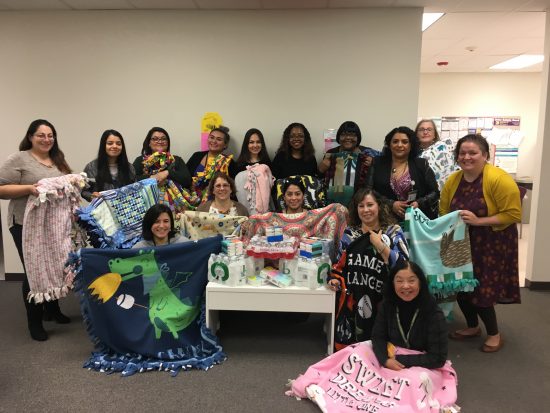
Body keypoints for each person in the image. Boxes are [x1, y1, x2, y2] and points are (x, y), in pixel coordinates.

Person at [440, 134, 521, 353]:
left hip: (492, 242)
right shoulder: (453, 180)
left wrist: (479, 221)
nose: (467, 157)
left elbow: (513, 214)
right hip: (462, 241)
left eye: (473, 152)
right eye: (462, 153)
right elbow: (444, 211)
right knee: (462, 285)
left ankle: (494, 334)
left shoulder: (499, 179)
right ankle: (472, 327)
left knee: (482, 288)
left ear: (485, 155)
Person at [0, 119, 72, 341]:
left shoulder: (57, 160)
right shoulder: (19, 158)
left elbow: (68, 184)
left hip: (52, 224)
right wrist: (31, 189)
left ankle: (52, 309)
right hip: (24, 223)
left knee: (55, 265)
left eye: (50, 135)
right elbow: (1, 189)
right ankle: (35, 321)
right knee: (34, 270)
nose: (47, 139)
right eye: (41, 135)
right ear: (30, 136)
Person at [327, 188, 409, 349]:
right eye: (361, 206)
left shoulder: (393, 232)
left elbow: (404, 266)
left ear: (379, 206)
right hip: (355, 299)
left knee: (383, 352)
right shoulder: (349, 235)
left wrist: (380, 246)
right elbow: (338, 267)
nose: (366, 210)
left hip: (384, 300)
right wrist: (334, 279)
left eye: (370, 205)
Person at [372, 260, 448, 370]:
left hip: (423, 367)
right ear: (392, 283)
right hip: (390, 362)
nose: (406, 286)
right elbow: (378, 336)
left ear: (420, 282)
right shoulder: (387, 304)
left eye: (411, 281)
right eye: (399, 281)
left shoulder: (433, 312)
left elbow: (438, 358)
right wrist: (385, 360)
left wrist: (398, 360)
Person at [365, 126, 439, 220]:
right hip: (385, 218)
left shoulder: (421, 164)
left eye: (405, 142)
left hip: (416, 220)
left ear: (411, 145)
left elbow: (435, 192)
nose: (399, 145)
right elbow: (368, 190)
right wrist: (391, 204)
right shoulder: (377, 163)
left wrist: (419, 203)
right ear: (389, 144)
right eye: (395, 141)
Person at [133, 127, 192, 211]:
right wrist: (152, 178)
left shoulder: (176, 160)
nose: (160, 141)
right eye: (155, 139)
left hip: (176, 208)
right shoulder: (141, 160)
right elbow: (132, 181)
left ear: (168, 143)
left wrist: (167, 173)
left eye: (163, 139)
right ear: (149, 143)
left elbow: (187, 180)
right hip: (147, 205)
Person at [318, 121, 376, 207]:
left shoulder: (366, 152)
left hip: (359, 202)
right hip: (334, 203)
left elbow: (382, 165)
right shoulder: (331, 153)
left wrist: (373, 162)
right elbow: (321, 177)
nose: (348, 137)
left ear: (358, 138)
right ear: (339, 137)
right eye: (344, 134)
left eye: (353, 135)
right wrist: (321, 169)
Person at [187, 126, 237, 203]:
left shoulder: (229, 162)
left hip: (217, 205)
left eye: (219, 139)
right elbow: (185, 177)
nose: (214, 141)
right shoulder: (196, 156)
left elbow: (232, 189)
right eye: (212, 137)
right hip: (192, 201)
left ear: (225, 145)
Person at [82, 129, 136, 201]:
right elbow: (84, 191)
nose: (115, 146)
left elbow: (136, 188)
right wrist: (91, 196)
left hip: (125, 209)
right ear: (103, 145)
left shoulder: (129, 167)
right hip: (101, 210)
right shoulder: (91, 167)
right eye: (110, 143)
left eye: (118, 144)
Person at [415, 119, 459, 191]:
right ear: (416, 134)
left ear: (434, 134)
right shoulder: (412, 154)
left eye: (429, 129)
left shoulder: (444, 148)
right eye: (421, 129)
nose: (425, 132)